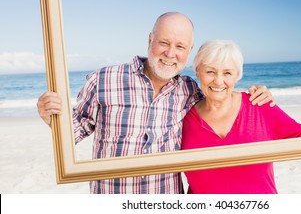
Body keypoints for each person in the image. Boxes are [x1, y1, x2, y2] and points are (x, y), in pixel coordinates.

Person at [36, 12, 274, 194]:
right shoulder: (104, 79)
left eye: (180, 46)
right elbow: (76, 129)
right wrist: (53, 117)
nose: (171, 53)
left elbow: (220, 95)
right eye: (164, 42)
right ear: (150, 40)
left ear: (189, 51)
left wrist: (257, 95)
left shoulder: (190, 90)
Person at [181, 39, 301, 194]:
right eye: (210, 71)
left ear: (237, 75)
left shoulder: (259, 105)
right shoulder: (184, 118)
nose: (219, 81)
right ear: (198, 71)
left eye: (227, 73)